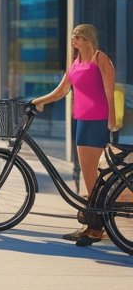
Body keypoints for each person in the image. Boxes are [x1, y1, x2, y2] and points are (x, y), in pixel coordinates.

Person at [31, 24, 119, 246]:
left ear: (88, 39)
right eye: (72, 37)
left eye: (76, 37)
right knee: (89, 176)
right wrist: (37, 101)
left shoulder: (100, 59)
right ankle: (92, 223)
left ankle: (96, 228)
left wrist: (112, 121)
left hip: (98, 121)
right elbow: (60, 91)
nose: (73, 41)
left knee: (93, 177)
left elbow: (110, 91)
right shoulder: (75, 64)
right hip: (81, 121)